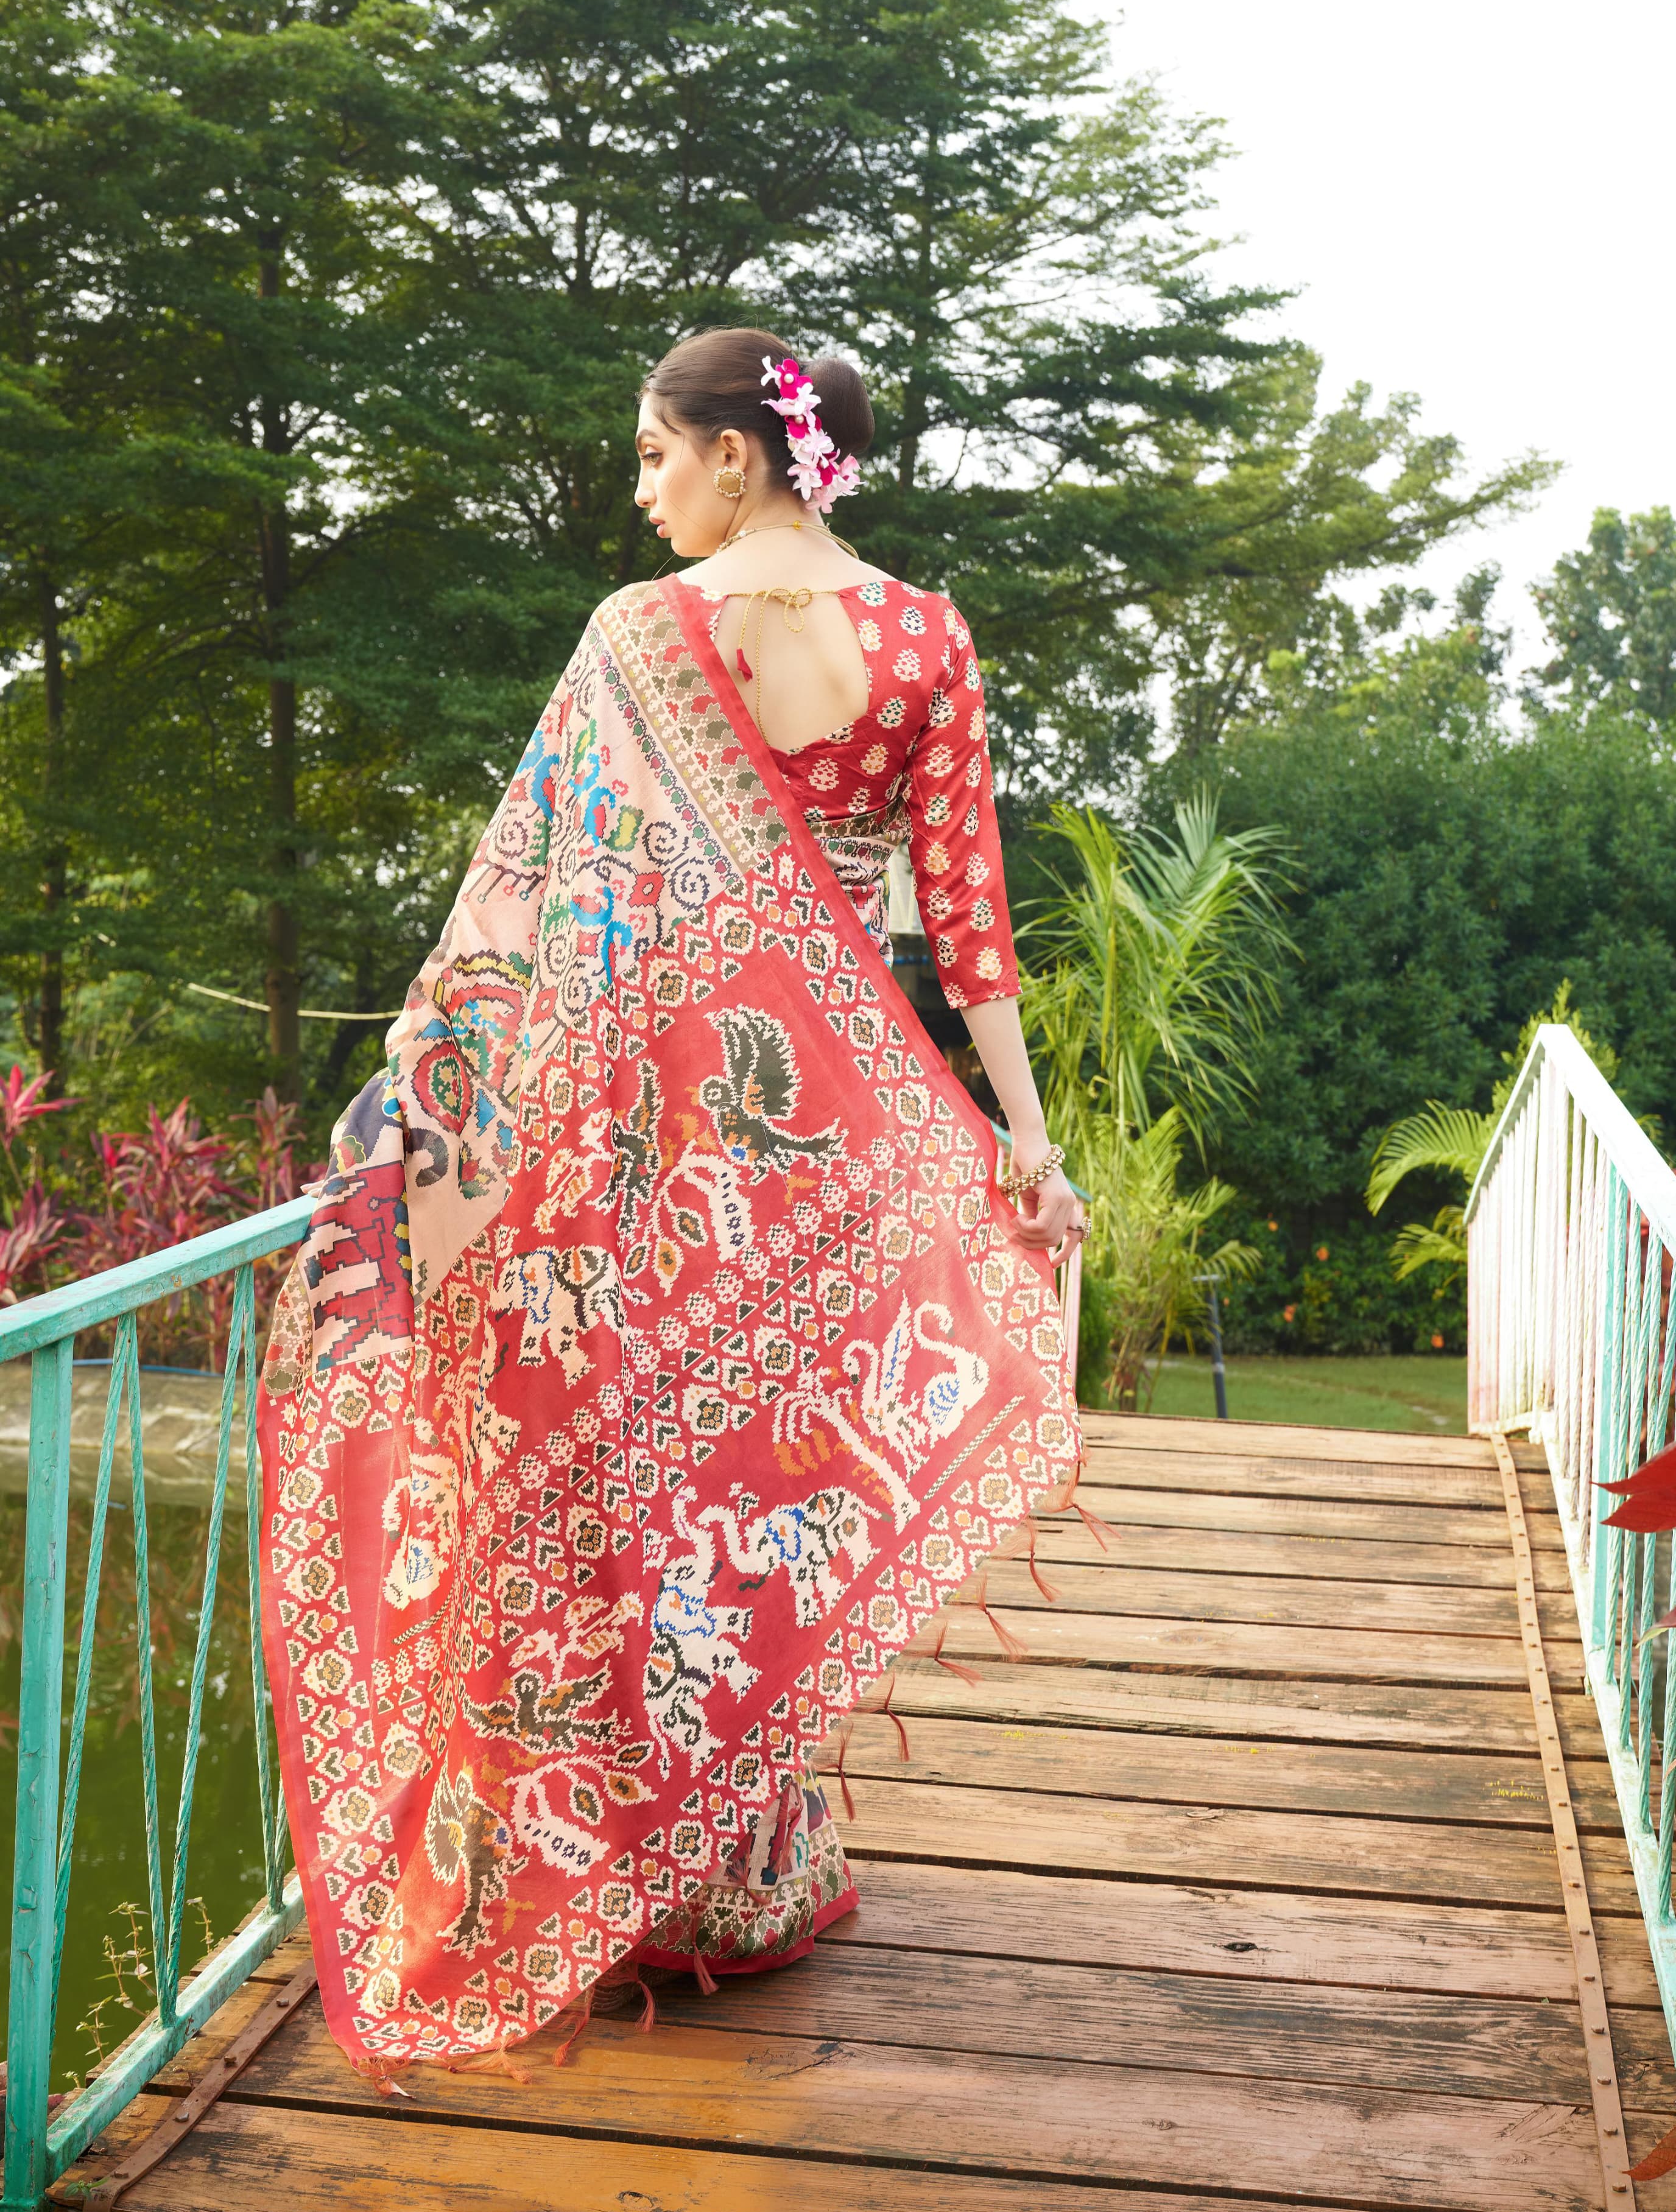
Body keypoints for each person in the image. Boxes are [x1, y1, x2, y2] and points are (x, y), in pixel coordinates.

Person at [256, 326, 1085, 2082]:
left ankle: (600, 1878)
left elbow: (534, 907)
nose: (640, 492)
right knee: (766, 1476)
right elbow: (968, 927)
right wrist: (1027, 1143)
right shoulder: (925, 636)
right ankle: (744, 1872)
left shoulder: (642, 640)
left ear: (741, 456)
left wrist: (422, 1141)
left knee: (622, 1483)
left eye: (652, 454)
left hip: (643, 1135)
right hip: (830, 1141)